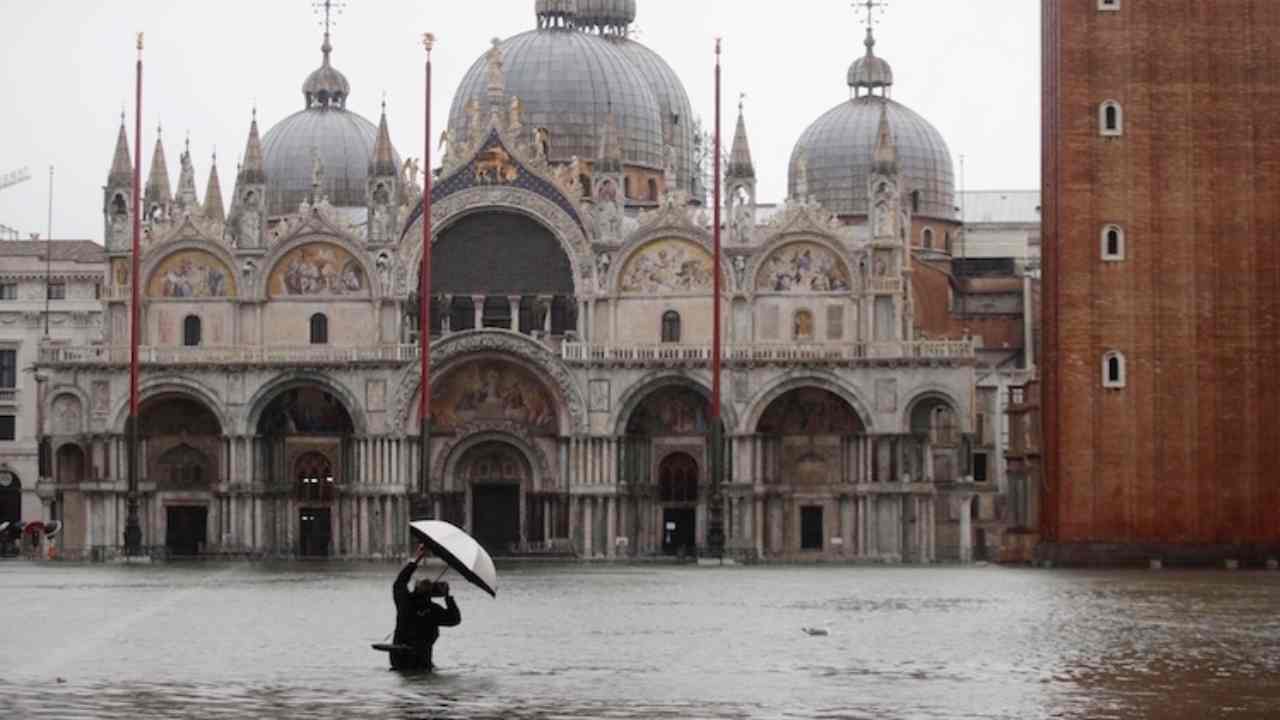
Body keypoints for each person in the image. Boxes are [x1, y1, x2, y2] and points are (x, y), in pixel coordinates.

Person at [390, 543, 462, 671]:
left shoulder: (405, 602)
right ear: (432, 593)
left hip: (399, 659)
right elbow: (454, 619)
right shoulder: (434, 610)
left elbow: (399, 583)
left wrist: (416, 560)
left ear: (415, 589)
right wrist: (447, 597)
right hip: (422, 662)